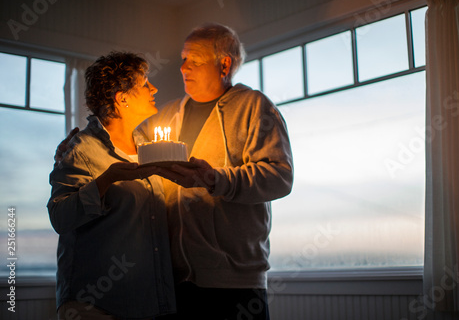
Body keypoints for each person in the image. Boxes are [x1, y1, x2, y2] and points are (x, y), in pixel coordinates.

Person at [135, 23, 294, 320]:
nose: (182, 68)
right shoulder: (169, 114)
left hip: (234, 286)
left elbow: (280, 176)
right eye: (182, 59)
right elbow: (125, 144)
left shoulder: (254, 107)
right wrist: (82, 141)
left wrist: (216, 179)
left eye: (193, 60)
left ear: (224, 64)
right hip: (174, 283)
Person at [48, 52, 176, 319]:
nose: (154, 88)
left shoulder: (149, 149)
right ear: (122, 97)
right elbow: (60, 217)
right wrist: (107, 180)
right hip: (96, 305)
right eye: (145, 83)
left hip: (146, 303)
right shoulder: (81, 149)